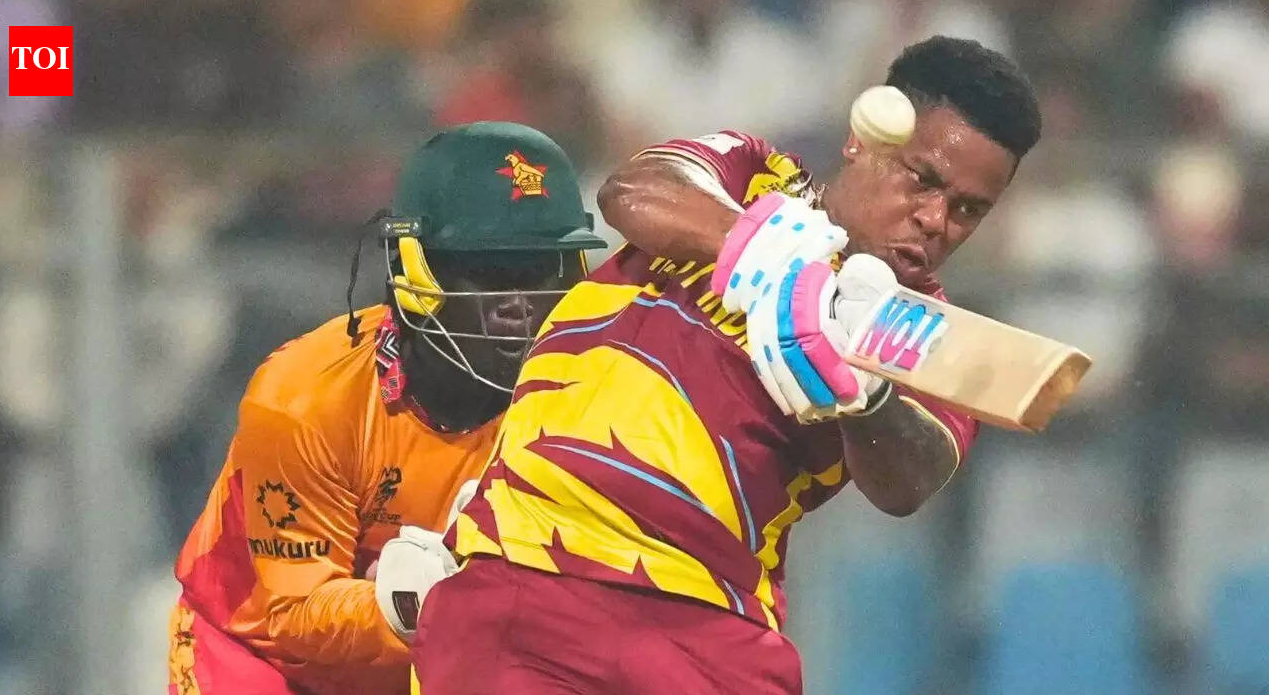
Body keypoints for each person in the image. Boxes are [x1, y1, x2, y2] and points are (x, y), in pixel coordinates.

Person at [412, 36, 1042, 693]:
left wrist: (865, 394)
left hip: (708, 622)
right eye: (923, 180)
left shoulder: (927, 333)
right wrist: (771, 263)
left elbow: (910, 482)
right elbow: (632, 191)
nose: (936, 220)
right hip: (523, 568)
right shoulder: (751, 175)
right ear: (862, 139)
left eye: (968, 209)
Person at [167, 121, 605, 695]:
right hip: (255, 658)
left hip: (434, 662)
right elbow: (291, 617)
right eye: (489, 272)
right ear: (411, 268)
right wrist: (411, 602)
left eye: (542, 273)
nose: (518, 307)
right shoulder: (305, 398)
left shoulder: (587, 397)